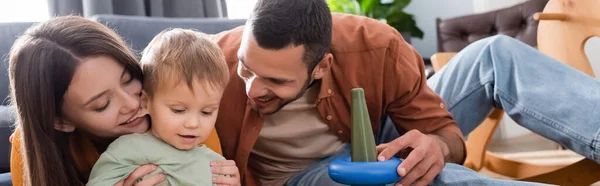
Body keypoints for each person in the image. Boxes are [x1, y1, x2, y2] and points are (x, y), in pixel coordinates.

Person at [210, 0, 600, 185]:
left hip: (377, 141)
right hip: (304, 177)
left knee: (495, 54)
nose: (253, 87)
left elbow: (447, 135)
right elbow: (149, 97)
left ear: (322, 65)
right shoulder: (206, 63)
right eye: (246, 68)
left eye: (277, 81)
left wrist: (438, 148)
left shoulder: (376, 46)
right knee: (416, 180)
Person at [8, 16, 240, 186]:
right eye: (102, 104)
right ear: (60, 121)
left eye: (128, 79)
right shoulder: (30, 150)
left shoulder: (183, 113)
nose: (132, 104)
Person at [86, 28, 231, 185]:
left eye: (206, 112)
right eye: (178, 110)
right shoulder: (130, 148)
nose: (193, 123)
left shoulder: (216, 162)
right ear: (146, 103)